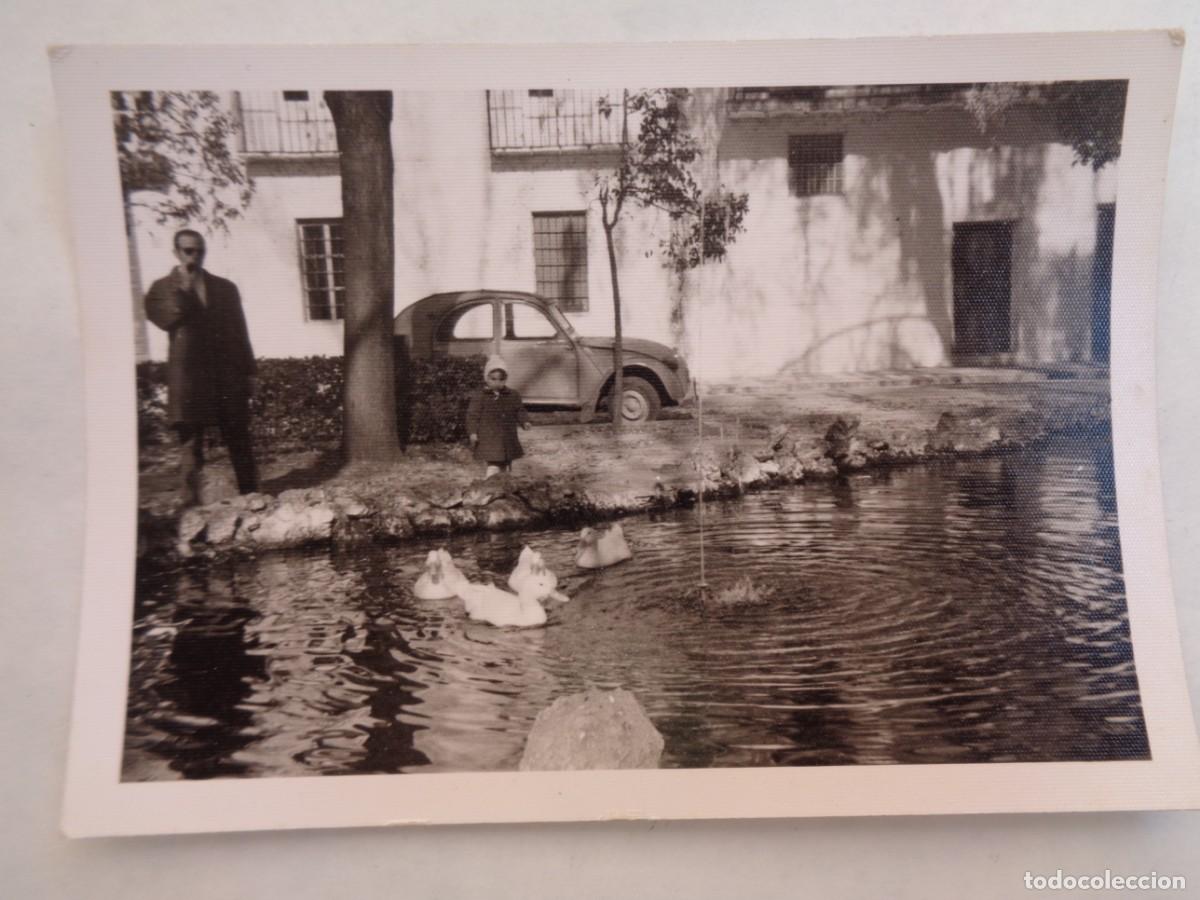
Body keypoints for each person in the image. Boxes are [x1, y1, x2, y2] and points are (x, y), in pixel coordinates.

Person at [145, 229, 259, 506]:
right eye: (188, 251)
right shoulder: (161, 289)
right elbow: (165, 319)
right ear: (176, 253)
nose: (194, 257)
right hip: (190, 378)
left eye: (200, 251)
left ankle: (252, 497)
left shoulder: (225, 288)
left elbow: (240, 332)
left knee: (238, 437)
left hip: (226, 376)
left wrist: (250, 373)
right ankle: (191, 507)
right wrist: (183, 289)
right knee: (190, 443)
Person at [465, 355, 532, 478]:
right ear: (486, 378)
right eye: (493, 379)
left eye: (501, 379)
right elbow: (472, 415)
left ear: (506, 379)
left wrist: (525, 421)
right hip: (489, 437)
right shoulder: (480, 396)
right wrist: (472, 432)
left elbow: (519, 410)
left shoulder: (512, 395)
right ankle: (491, 481)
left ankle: (504, 480)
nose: (497, 383)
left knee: (506, 461)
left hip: (507, 436)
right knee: (493, 463)